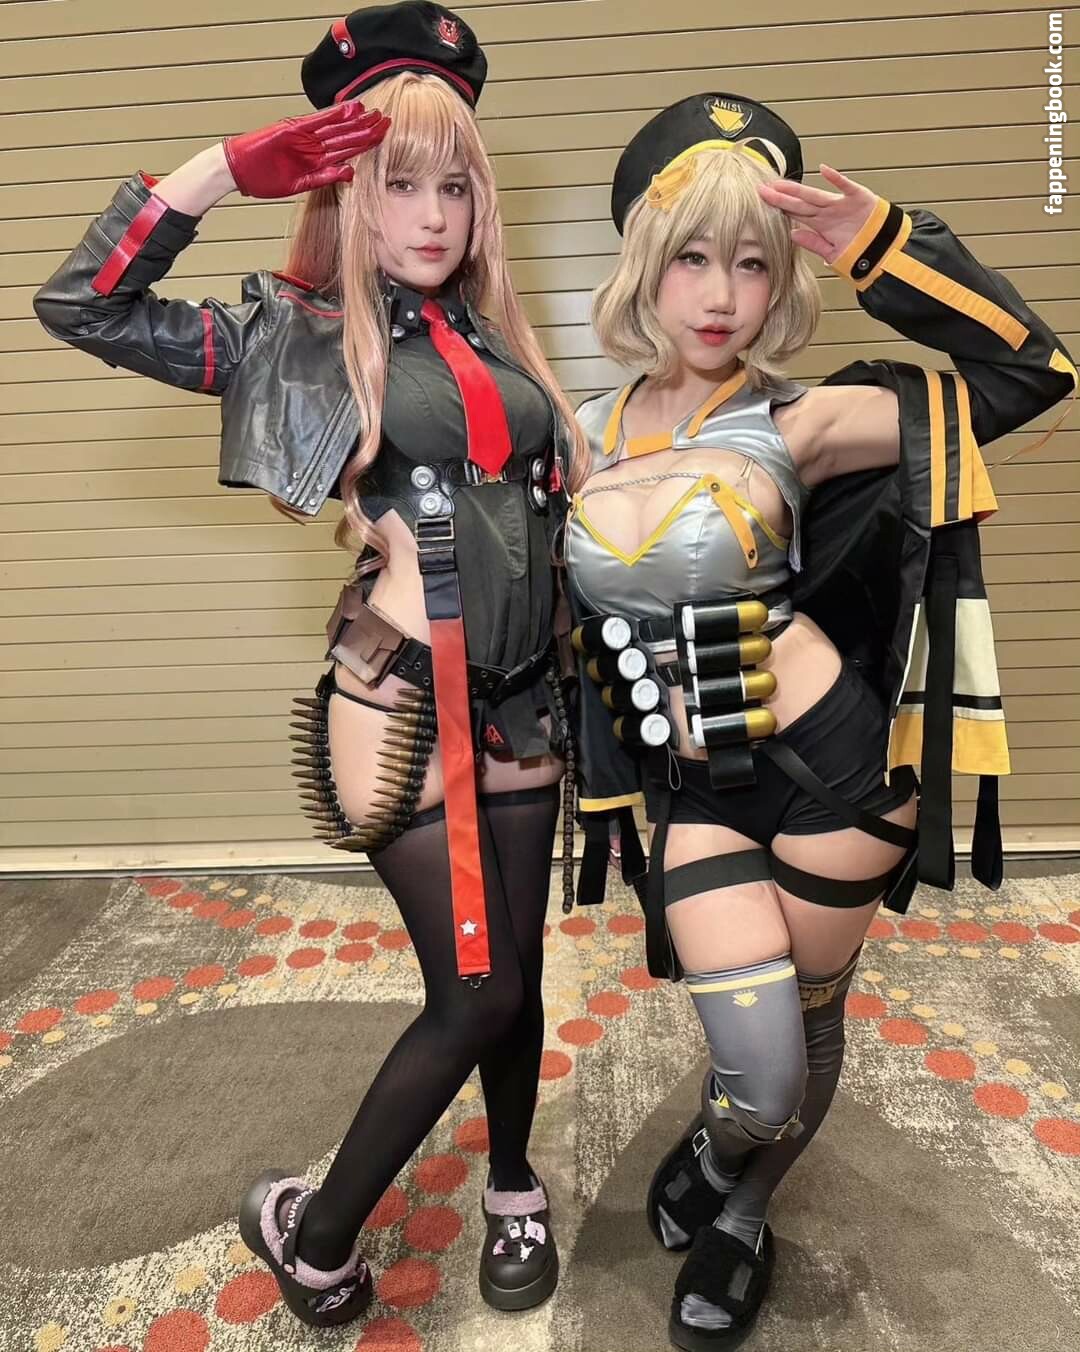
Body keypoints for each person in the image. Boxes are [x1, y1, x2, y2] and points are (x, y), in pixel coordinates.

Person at [34, 1, 589, 1329]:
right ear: (346, 191)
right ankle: (315, 1228)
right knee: (479, 989)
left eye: (454, 184)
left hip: (527, 701)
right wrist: (226, 169)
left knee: (514, 973)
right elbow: (81, 303)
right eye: (398, 182)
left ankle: (513, 1184)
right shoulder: (292, 335)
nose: (433, 214)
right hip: (401, 701)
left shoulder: (499, 338)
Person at [562, 93, 1076, 1351]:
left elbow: (1034, 372)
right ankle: (725, 1140)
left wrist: (883, 245)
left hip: (836, 772)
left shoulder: (805, 419)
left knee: (808, 1023)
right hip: (697, 789)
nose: (720, 294)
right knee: (759, 1066)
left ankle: (743, 1208)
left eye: (753, 262)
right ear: (645, 262)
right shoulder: (581, 434)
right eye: (693, 256)